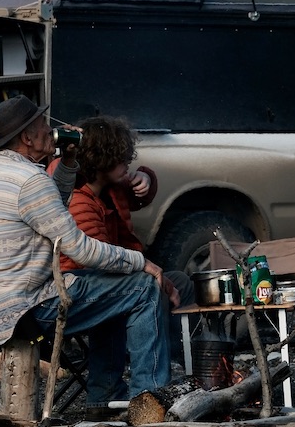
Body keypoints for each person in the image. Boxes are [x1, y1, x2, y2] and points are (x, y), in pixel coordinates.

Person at [0, 96, 175, 413]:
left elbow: (51, 208)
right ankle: (149, 400)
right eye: (42, 125)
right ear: (27, 137)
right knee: (143, 287)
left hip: (2, 304)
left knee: (113, 286)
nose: (50, 130)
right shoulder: (30, 181)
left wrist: (67, 164)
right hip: (32, 306)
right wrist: (141, 262)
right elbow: (78, 247)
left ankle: (104, 396)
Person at [46, 115, 191, 409]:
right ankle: (147, 395)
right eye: (120, 159)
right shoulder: (78, 200)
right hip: (79, 285)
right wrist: (145, 268)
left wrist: (146, 177)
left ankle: (182, 371)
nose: (127, 164)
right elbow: (95, 261)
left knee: (182, 283)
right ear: (100, 162)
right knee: (146, 288)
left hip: (112, 276)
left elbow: (140, 194)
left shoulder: (111, 188)